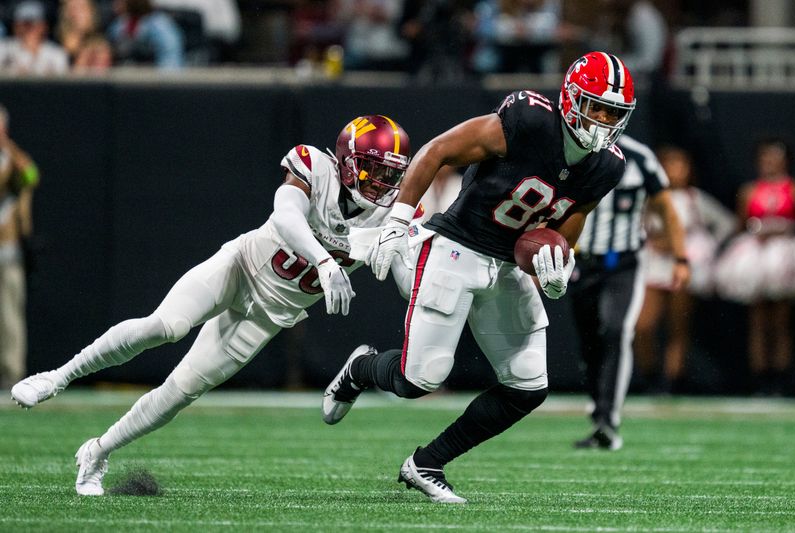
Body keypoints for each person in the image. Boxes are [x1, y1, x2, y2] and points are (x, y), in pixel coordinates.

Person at [11, 115, 413, 496]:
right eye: (374, 170)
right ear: (346, 161)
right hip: (240, 267)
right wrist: (325, 260)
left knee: (181, 391)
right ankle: (58, 376)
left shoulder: (390, 213)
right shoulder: (315, 165)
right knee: (166, 326)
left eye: (391, 174)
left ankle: (97, 452)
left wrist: (420, 275)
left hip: (268, 316)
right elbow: (286, 214)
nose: (382, 183)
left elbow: (404, 279)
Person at [322, 51, 636, 503]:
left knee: (528, 385)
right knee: (420, 380)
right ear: (570, 98)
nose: (604, 122)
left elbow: (572, 219)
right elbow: (438, 151)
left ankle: (427, 462)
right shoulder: (529, 119)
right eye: (596, 107)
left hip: (508, 264)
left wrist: (558, 266)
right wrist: (396, 220)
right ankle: (362, 368)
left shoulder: (608, 165)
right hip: (456, 245)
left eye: (614, 113)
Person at [569, 134, 688, 451]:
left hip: (624, 262)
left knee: (616, 330)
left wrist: (681, 257)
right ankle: (598, 413)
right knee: (590, 341)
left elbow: (666, 208)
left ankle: (608, 420)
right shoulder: (571, 148)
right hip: (581, 260)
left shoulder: (639, 156)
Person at [634, 145, 735, 394]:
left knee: (678, 327)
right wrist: (652, 241)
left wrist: (700, 246)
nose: (676, 171)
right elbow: (634, 226)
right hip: (653, 266)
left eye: (681, 165)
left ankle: (672, 381)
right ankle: (650, 376)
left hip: (682, 266)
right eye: (670, 165)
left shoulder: (694, 198)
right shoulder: (649, 196)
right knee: (643, 325)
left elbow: (727, 224)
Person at [714, 137, 795, 395]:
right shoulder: (750, 190)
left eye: (775, 157)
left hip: (784, 254)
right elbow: (742, 225)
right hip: (756, 255)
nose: (770, 163)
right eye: (765, 158)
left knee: (781, 320)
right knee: (759, 321)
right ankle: (761, 379)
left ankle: (781, 378)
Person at [0, 104, 39, 389]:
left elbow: (32, 176)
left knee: (10, 315)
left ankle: (12, 374)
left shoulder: (12, 159)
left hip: (7, 249)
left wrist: (10, 149)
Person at [106, 0, 185, 69]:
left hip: (155, 81)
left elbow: (170, 62)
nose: (115, 4)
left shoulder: (160, 25)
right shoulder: (117, 26)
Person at [0, 0, 69, 75]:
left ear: (43, 26)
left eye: (34, 24)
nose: (30, 29)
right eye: (25, 24)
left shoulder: (57, 53)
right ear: (15, 26)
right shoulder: (3, 48)